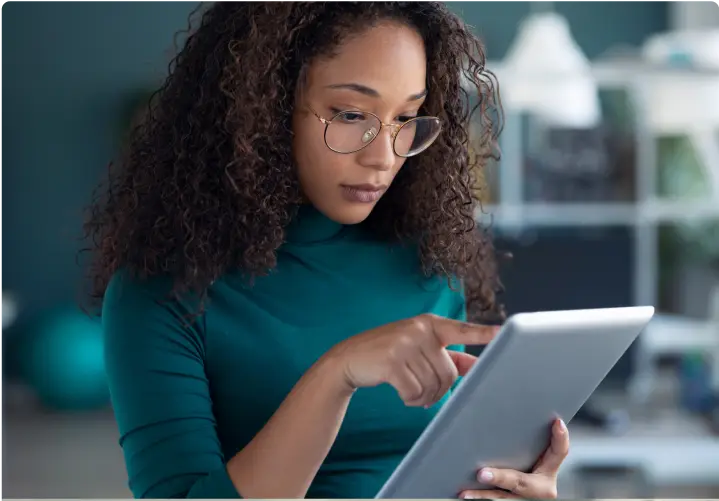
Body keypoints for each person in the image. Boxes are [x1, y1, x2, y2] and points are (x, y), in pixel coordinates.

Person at [82, 0, 570, 498]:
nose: (382, 156)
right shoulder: (164, 294)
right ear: (265, 106)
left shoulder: (426, 264)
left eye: (406, 117)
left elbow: (449, 471)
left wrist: (511, 485)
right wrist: (337, 374)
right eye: (351, 114)